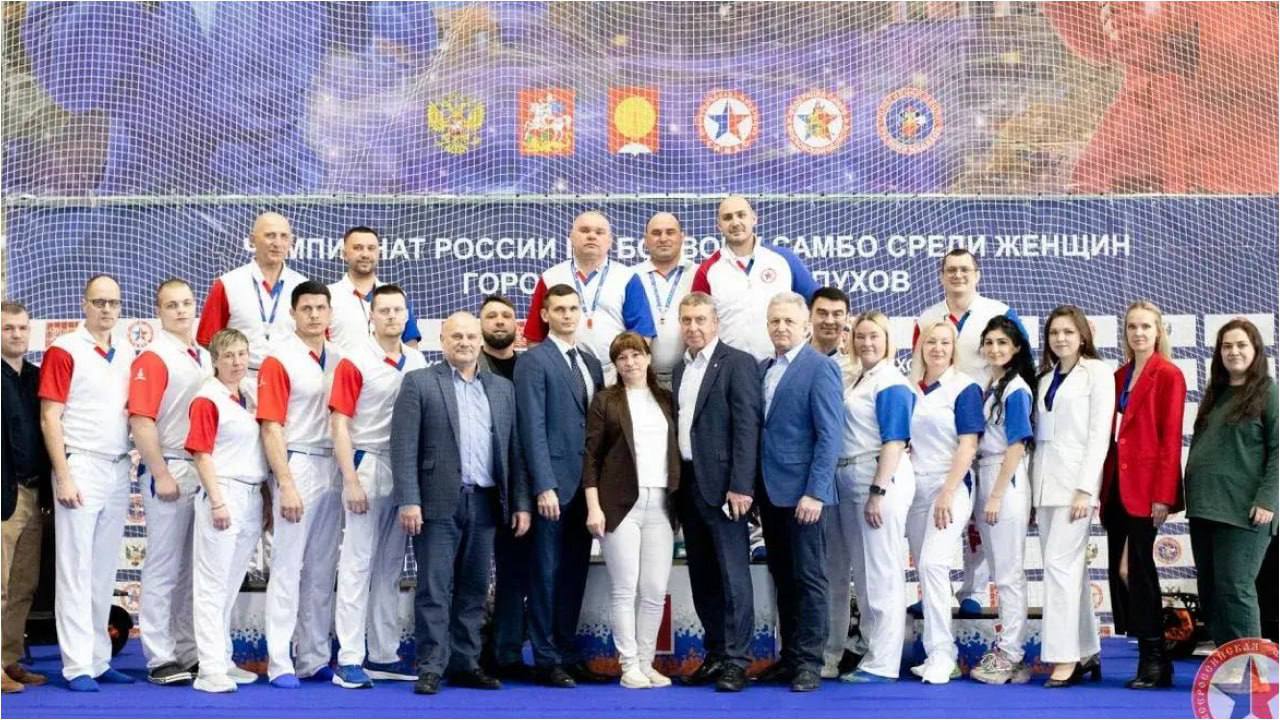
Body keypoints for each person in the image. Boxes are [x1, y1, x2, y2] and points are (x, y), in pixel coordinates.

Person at [392, 312, 528, 695]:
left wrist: (520, 503)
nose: (465, 342)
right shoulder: (419, 382)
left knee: (474, 589)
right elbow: (404, 445)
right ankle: (431, 666)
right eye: (456, 336)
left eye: (470, 336)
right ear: (443, 340)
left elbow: (514, 450)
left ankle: (465, 663)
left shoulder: (502, 389)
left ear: (480, 341)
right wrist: (409, 500)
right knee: (434, 589)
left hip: (486, 503)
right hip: (435, 504)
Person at [913, 249, 1027, 617]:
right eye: (951, 270)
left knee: (981, 516)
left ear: (977, 274)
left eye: (965, 269)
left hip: (988, 427)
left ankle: (974, 589)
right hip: (945, 427)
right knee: (940, 512)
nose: (958, 275)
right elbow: (918, 364)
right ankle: (934, 589)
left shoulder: (998, 310)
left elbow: (1020, 360)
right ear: (940, 275)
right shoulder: (927, 317)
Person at [38, 274, 136, 691]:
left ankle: (98, 658)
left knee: (102, 570)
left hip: (118, 466)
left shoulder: (127, 351)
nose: (106, 309)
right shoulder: (65, 349)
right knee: (75, 569)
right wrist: (63, 475)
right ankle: (76, 665)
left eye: (113, 302)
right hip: (80, 464)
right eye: (99, 302)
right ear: (84, 304)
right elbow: (50, 417)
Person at [327, 285, 427, 689]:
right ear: (371, 316)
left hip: (404, 468)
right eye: (383, 310)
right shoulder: (355, 359)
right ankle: (349, 658)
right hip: (366, 462)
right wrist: (350, 479)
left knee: (391, 565)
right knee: (357, 564)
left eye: (398, 310)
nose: (391, 316)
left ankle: (384, 654)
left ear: (407, 315)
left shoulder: (417, 359)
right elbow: (338, 422)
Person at [514, 284, 606, 688]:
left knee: (573, 573)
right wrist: (543, 485)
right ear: (545, 315)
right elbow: (531, 426)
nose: (567, 315)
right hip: (552, 487)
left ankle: (568, 653)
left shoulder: (590, 361)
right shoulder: (534, 361)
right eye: (559, 309)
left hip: (585, 487)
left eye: (573, 308)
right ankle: (546, 658)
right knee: (546, 574)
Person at [753, 292, 842, 692]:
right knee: (784, 578)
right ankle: (789, 659)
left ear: (806, 326)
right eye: (775, 321)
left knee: (809, 578)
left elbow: (830, 435)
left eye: (789, 321)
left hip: (805, 496)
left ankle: (809, 662)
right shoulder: (763, 368)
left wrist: (816, 492)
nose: (781, 327)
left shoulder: (820, 367)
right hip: (770, 493)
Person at [671, 292, 759, 693]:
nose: (693, 327)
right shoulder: (680, 369)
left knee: (733, 576)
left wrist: (741, 485)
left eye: (700, 319)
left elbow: (747, 427)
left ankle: (738, 661)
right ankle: (717, 653)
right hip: (689, 486)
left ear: (715, 323)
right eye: (687, 320)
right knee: (703, 576)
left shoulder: (737, 363)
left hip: (725, 488)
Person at [256, 280, 343, 688]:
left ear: (330, 313)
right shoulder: (280, 358)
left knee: (322, 568)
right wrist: (285, 483)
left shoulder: (340, 358)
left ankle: (313, 656)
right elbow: (270, 426)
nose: (313, 314)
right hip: (298, 462)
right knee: (288, 567)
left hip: (333, 464)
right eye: (306, 308)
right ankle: (279, 661)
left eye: (320, 308)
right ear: (292, 313)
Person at [583, 332, 681, 689]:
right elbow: (591, 458)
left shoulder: (666, 399)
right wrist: (594, 507)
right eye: (622, 357)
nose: (630, 362)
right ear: (615, 364)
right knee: (625, 588)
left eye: (636, 355)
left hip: (662, 505)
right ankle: (628, 666)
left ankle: (646, 662)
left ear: (648, 358)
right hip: (619, 505)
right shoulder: (605, 401)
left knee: (654, 589)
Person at [127, 279, 213, 685]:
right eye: (171, 305)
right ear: (158, 311)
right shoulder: (154, 356)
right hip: (170, 466)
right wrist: (160, 472)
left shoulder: (205, 356)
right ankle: (159, 655)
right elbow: (141, 419)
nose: (180, 311)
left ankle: (188, 650)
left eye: (186, 303)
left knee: (193, 568)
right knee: (163, 565)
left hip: (203, 469)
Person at [1101, 301, 1186, 689]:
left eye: (1146, 327)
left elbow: (1170, 438)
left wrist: (1163, 494)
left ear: (1158, 331)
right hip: (1116, 490)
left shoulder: (1168, 374)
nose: (1138, 333)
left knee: (1138, 570)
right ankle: (1154, 658)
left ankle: (1154, 659)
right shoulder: (1118, 376)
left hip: (1147, 489)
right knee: (1122, 571)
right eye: (1132, 327)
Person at [187, 329, 270, 694]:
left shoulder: (250, 393)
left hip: (251, 493)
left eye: (241, 354)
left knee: (230, 584)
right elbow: (201, 453)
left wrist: (265, 498)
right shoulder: (208, 398)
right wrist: (217, 499)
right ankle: (208, 668)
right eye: (228, 356)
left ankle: (222, 659)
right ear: (215, 360)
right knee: (211, 585)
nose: (236, 362)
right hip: (222, 492)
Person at [1033, 305, 1112, 687]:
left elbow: (1099, 435)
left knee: (1058, 568)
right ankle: (1087, 648)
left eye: (1067, 332)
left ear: (1083, 336)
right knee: (1069, 571)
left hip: (1075, 487)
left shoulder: (1096, 372)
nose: (1060, 338)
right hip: (1044, 485)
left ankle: (1064, 658)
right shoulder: (1045, 378)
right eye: (1054, 333)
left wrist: (1086, 488)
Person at [1186, 318, 1277, 647]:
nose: (1233, 351)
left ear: (1256, 350)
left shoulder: (1269, 392)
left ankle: (1251, 664)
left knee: (1235, 588)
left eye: (1241, 345)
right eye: (1227, 346)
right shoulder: (1217, 393)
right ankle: (1228, 659)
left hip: (1244, 511)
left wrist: (1268, 499)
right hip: (1204, 508)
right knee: (1211, 590)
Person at [838, 310, 916, 684]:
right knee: (866, 574)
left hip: (879, 478)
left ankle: (884, 662)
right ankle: (871, 652)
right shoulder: (859, 378)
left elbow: (895, 440)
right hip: (852, 476)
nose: (867, 342)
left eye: (875, 336)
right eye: (861, 336)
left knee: (883, 572)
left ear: (888, 341)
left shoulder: (891, 381)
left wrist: (877, 491)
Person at [905, 321, 984, 684]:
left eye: (945, 343)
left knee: (934, 563)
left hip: (950, 485)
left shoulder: (964, 387)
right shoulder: (909, 387)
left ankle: (943, 654)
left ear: (954, 348)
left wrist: (948, 492)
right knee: (925, 570)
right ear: (920, 347)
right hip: (914, 488)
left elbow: (968, 445)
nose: (937, 348)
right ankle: (934, 650)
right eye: (931, 342)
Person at [967, 316, 1035, 685]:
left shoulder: (1016, 389)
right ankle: (1010, 651)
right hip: (986, 472)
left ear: (1016, 348)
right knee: (1000, 571)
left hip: (1004, 479)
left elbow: (1017, 445)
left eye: (1003, 343)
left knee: (1009, 574)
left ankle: (1011, 653)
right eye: (990, 342)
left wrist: (995, 495)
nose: (995, 349)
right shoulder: (990, 385)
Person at [523, 211, 656, 382]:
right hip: (564, 374)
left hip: (615, 373)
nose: (592, 236)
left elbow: (642, 335)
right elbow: (535, 335)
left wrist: (629, 372)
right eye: (584, 230)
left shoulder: (627, 277)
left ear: (610, 241)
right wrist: (546, 373)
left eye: (599, 232)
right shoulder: (551, 277)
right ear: (571, 237)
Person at [691, 197, 818, 360]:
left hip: (780, 364)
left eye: (741, 215)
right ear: (719, 225)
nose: (735, 222)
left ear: (754, 218)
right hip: (728, 368)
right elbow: (697, 321)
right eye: (727, 217)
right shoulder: (707, 270)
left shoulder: (784, 260)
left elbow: (818, 302)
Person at [476, 294, 530, 679]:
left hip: (519, 486)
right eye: (491, 316)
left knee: (514, 573)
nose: (499, 321)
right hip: (478, 485)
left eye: (506, 316)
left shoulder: (530, 368)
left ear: (517, 325)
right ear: (480, 325)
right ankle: (471, 654)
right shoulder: (468, 366)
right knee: (473, 574)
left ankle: (508, 654)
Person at [807, 287, 860, 678]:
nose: (830, 320)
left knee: (838, 570)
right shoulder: (794, 358)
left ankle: (832, 651)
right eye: (822, 313)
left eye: (837, 313)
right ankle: (797, 650)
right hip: (797, 480)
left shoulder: (858, 366)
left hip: (843, 478)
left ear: (847, 318)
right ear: (810, 316)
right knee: (799, 571)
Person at [2, 301, 50, 693]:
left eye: (21, 328)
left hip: (35, 493)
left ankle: (8, 659)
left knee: (22, 586)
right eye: (7, 328)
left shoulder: (36, 376)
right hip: (5, 491)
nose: (17, 334)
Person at [196, 212, 308, 372]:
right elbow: (207, 340)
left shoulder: (304, 286)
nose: (277, 243)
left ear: (291, 241)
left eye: (284, 236)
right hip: (240, 379)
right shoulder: (228, 284)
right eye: (270, 235)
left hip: (289, 378)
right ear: (252, 239)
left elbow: (314, 338)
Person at [326, 226, 422, 354]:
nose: (365, 254)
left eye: (371, 248)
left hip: (389, 368)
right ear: (344, 254)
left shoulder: (397, 296)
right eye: (358, 248)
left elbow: (411, 346)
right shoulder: (327, 296)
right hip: (342, 368)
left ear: (378, 254)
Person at [633, 212, 696, 388]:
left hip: (690, 376)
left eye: (670, 232)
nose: (663, 238)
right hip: (643, 379)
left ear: (682, 237)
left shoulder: (698, 273)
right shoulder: (630, 275)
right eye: (656, 233)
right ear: (646, 239)